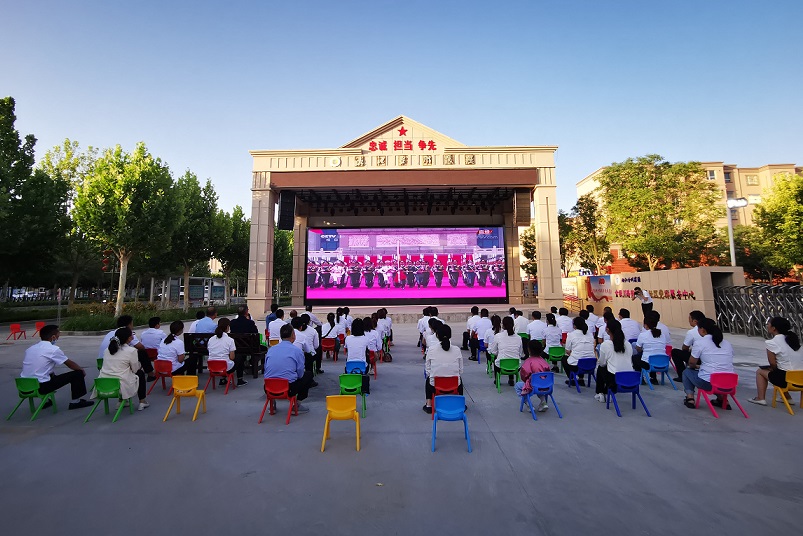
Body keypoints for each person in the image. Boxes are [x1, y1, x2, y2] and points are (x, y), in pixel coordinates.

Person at [21, 325, 92, 410]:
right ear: (53, 337)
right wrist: (81, 369)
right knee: (77, 373)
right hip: (41, 387)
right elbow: (69, 363)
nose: (58, 338)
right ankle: (75, 402)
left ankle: (46, 401)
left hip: (24, 387)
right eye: (58, 336)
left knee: (47, 373)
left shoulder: (30, 349)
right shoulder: (52, 349)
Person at [749, 317, 803, 406]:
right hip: (800, 378)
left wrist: (772, 368)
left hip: (786, 379)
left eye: (768, 324)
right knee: (779, 371)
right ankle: (786, 397)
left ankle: (760, 398)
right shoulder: (794, 340)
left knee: (761, 371)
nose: (767, 326)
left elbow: (773, 363)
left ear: (774, 328)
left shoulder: (772, 342)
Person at [682, 318, 734, 409]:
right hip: (730, 383)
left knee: (687, 372)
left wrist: (697, 366)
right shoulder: (727, 343)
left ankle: (690, 398)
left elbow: (691, 362)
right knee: (716, 374)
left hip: (710, 383)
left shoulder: (700, 343)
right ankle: (722, 399)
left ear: (702, 330)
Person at [263, 323, 313, 413]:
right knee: (308, 375)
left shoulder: (271, 350)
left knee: (272, 375)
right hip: (288, 388)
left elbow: (266, 369)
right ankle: (297, 404)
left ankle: (272, 403)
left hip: (268, 388)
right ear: (293, 335)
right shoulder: (297, 351)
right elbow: (300, 374)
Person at [97, 327, 149, 411]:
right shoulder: (131, 350)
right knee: (140, 373)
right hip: (120, 385)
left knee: (118, 373)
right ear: (129, 338)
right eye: (132, 334)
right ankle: (142, 401)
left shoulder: (107, 350)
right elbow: (135, 369)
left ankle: (121, 401)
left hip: (102, 384)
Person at [98, 315, 155, 381]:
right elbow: (140, 347)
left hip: (102, 364)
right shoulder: (127, 333)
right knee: (142, 352)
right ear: (129, 324)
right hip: (118, 370)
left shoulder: (110, 333)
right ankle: (150, 374)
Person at [423, 324, 464, 414]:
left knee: (428, 380)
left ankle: (429, 405)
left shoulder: (431, 349)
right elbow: (461, 370)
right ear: (450, 335)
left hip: (436, 386)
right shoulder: (457, 350)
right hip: (454, 385)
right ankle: (460, 404)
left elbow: (428, 370)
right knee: (459, 379)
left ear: (437, 336)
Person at [594, 318, 634, 402]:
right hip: (631, 378)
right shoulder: (628, 344)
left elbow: (602, 363)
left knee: (601, 368)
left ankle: (600, 393)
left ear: (607, 330)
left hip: (615, 380)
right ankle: (605, 392)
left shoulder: (606, 344)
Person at [207, 318, 247, 386]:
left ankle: (223, 380)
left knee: (223, 358)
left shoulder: (211, 339)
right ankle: (240, 379)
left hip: (211, 367)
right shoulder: (229, 340)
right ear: (228, 327)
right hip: (225, 368)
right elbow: (232, 357)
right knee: (239, 357)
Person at [515, 339, 552, 412]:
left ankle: (528, 404)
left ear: (529, 350)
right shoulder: (543, 361)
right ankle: (543, 401)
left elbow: (524, 376)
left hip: (533, 387)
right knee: (540, 383)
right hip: (547, 386)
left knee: (518, 386)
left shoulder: (528, 361)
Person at [671, 311, 706, 382]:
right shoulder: (710, 328)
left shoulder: (692, 332)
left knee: (675, 352)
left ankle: (682, 376)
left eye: (690, 319)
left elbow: (684, 348)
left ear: (695, 321)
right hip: (709, 356)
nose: (689, 321)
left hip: (699, 358)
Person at [490, 316, 523, 386]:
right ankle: (511, 379)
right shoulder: (519, 338)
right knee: (512, 356)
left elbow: (493, 351)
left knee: (497, 358)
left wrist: (500, 353)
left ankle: (497, 379)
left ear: (503, 325)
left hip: (501, 366)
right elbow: (520, 353)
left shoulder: (498, 336)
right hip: (516, 366)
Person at [563, 316, 596, 386]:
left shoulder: (571, 335)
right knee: (581, 357)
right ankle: (581, 379)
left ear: (574, 325)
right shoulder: (590, 334)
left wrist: (574, 353)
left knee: (564, 358)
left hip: (578, 364)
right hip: (591, 363)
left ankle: (572, 379)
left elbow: (567, 350)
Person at [344, 318, 374, 394]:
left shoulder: (347, 338)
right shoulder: (366, 339)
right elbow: (369, 349)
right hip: (363, 367)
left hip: (349, 366)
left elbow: (346, 348)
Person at [634, 315, 665, 384]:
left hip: (649, 364)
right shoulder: (662, 335)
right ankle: (653, 378)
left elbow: (638, 348)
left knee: (635, 358)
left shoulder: (643, 335)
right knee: (653, 355)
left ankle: (640, 379)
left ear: (646, 325)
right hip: (663, 362)